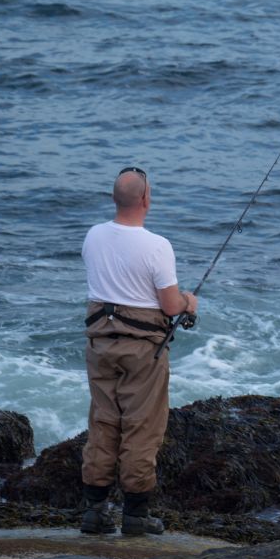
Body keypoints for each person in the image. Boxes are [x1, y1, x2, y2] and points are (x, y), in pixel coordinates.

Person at [79, 166, 198, 536]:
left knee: (103, 423)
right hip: (142, 351)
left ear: (115, 198)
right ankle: (135, 516)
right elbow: (170, 306)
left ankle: (95, 513)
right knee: (141, 428)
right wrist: (190, 302)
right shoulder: (156, 245)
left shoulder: (94, 235)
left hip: (100, 344)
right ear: (146, 200)